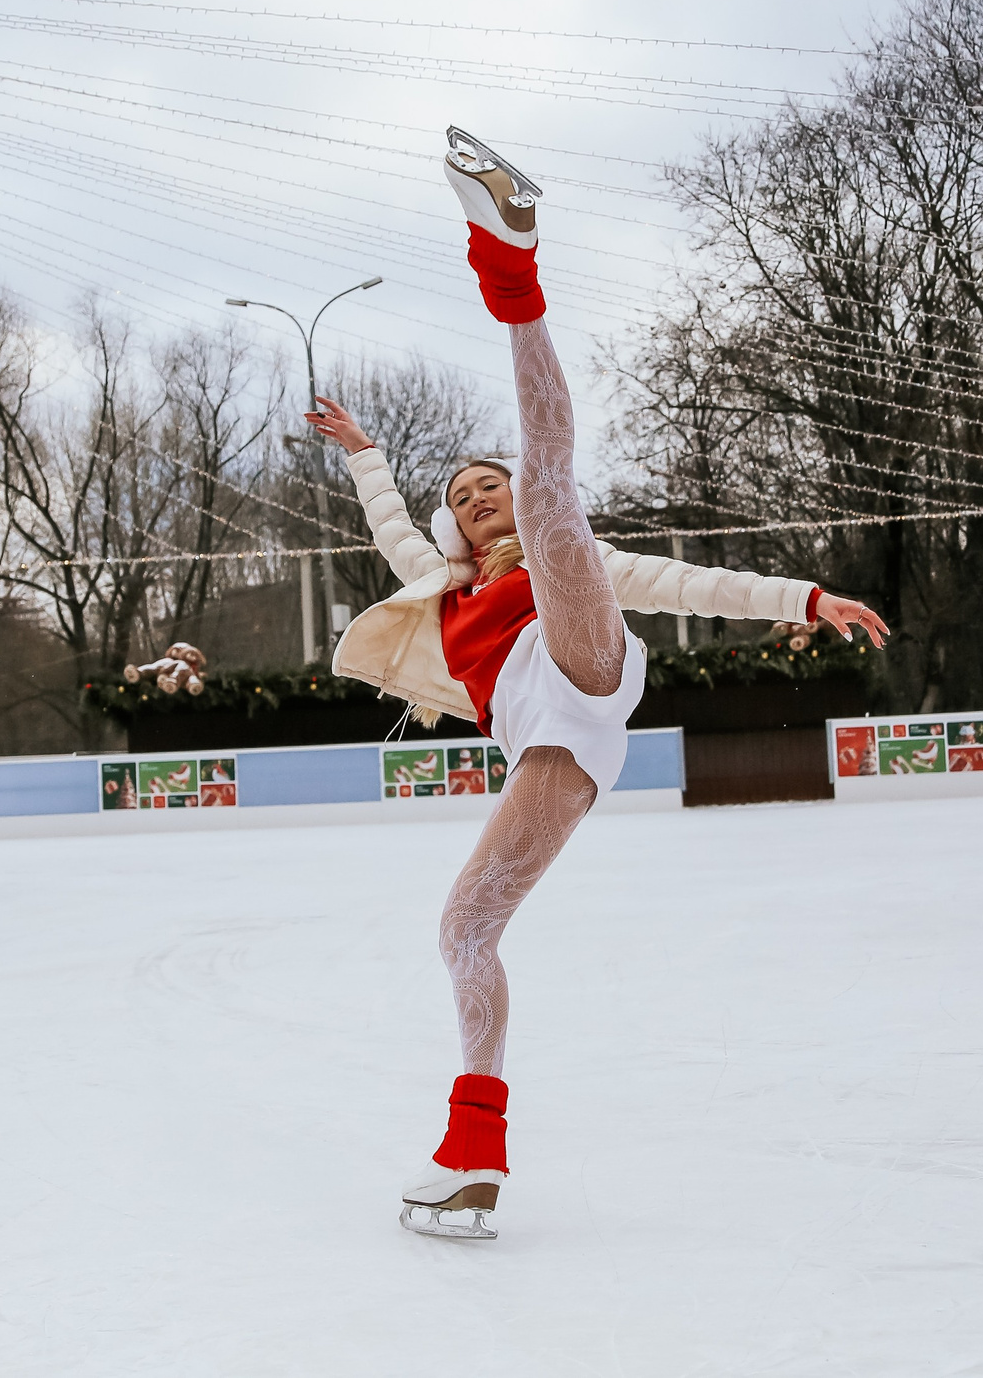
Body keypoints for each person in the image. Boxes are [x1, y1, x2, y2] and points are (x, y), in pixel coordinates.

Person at [306, 128, 890, 1240]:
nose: (482, 500)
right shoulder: (438, 582)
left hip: (584, 657)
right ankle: (473, 1147)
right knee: (464, 932)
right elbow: (391, 521)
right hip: (553, 745)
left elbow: (692, 582)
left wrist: (806, 599)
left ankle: (509, 266)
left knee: (557, 497)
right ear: (452, 525)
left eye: (489, 484)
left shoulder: (563, 550)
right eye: (468, 496)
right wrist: (363, 453)